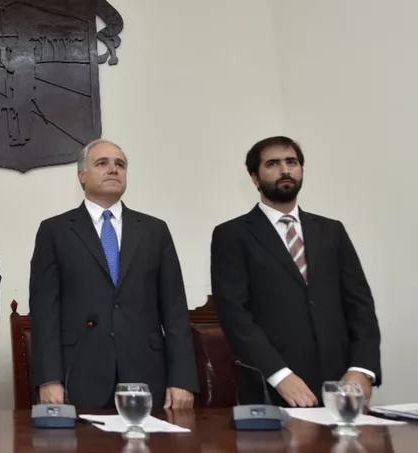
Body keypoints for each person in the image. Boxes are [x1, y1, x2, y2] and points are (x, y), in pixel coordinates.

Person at [210, 136, 381, 407]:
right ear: (255, 178)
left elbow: (360, 304)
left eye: (292, 162)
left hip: (342, 385)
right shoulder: (231, 235)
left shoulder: (332, 231)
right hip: (273, 389)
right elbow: (235, 316)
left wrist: (362, 369)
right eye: (273, 164)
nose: (285, 170)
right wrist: (279, 375)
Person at [29, 139, 199, 409]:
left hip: (147, 375)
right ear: (82, 176)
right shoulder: (55, 231)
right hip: (79, 375)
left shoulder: (154, 230)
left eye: (120, 164)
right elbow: (44, 311)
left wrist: (182, 379)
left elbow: (175, 309)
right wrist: (49, 379)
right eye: (102, 163)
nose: (113, 169)